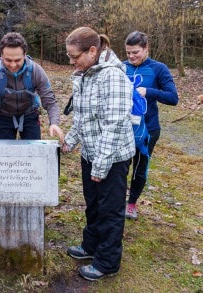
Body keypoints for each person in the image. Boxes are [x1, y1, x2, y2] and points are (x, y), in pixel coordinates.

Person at [62, 27, 135, 281]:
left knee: (110, 210)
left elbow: (113, 124)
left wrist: (101, 165)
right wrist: (69, 141)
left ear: (92, 51)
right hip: (91, 154)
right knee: (93, 205)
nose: (72, 62)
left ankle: (107, 262)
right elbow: (83, 119)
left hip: (112, 158)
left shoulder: (112, 77)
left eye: (75, 57)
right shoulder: (85, 74)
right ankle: (90, 246)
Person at [124, 31, 179, 219]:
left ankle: (131, 204)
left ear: (146, 49)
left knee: (140, 166)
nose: (131, 57)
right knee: (120, 166)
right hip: (122, 128)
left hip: (148, 129)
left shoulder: (159, 69)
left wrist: (149, 91)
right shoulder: (120, 68)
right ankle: (116, 200)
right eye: (128, 53)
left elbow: (173, 98)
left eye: (136, 52)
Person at [0, 32, 64, 142]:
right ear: (1, 56)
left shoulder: (36, 71)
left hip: (29, 116)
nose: (13, 65)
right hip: (3, 116)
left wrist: (54, 123)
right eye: (8, 60)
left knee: (33, 154)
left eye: (17, 60)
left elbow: (50, 102)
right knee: (5, 156)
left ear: (25, 54)